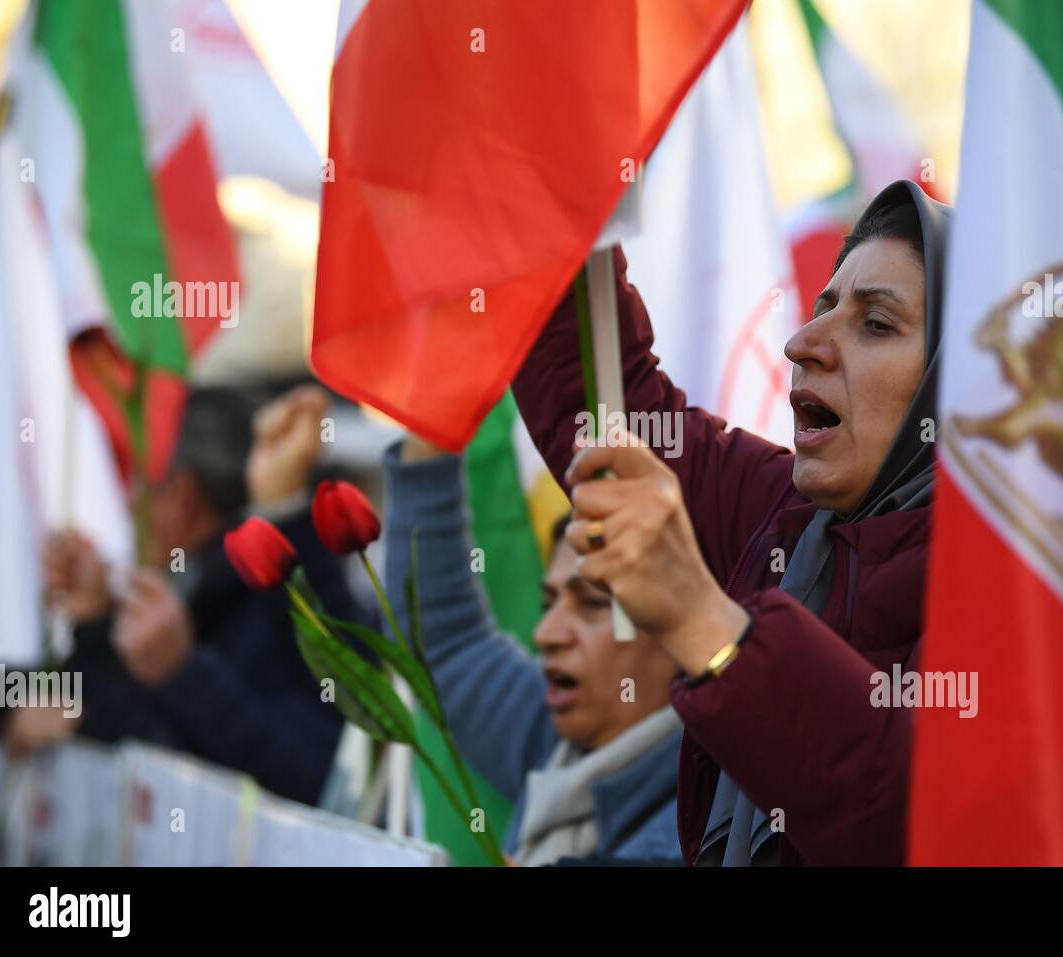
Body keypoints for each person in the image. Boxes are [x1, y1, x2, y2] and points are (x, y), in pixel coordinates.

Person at [509, 181, 947, 865]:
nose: (804, 342)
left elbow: (913, 814)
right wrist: (551, 171)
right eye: (821, 307)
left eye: (876, 324)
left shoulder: (1020, 588)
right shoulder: (784, 517)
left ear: (963, 382)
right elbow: (599, 402)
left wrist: (704, 625)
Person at [9, 385, 356, 806]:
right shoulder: (208, 590)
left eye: (141, 480)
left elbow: (311, 780)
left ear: (181, 494)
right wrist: (97, 622)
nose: (130, 500)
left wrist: (182, 672)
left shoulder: (264, 600)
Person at [384, 432, 684, 864]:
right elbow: (444, 643)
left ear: (685, 625)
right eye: (549, 602)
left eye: (593, 605)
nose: (546, 632)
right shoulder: (553, 742)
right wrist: (430, 430)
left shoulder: (714, 819)